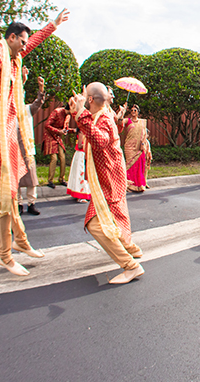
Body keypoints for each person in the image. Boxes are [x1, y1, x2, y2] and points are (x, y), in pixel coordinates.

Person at [0, 10, 68, 275]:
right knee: (4, 193)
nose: (25, 45)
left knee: (13, 190)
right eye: (22, 41)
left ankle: (20, 242)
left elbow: (37, 39)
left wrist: (53, 25)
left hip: (7, 129)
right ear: (10, 38)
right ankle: (4, 255)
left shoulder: (14, 58)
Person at [69, 83, 144, 285]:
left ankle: (131, 266)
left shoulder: (103, 118)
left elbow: (100, 141)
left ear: (91, 100)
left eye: (85, 97)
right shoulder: (100, 114)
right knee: (116, 217)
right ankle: (131, 249)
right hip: (109, 177)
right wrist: (80, 111)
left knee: (95, 224)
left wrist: (81, 112)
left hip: (109, 180)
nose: (82, 98)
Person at [17, 71, 46, 215]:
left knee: (31, 178)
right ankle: (18, 203)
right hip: (14, 149)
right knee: (16, 178)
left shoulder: (27, 109)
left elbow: (39, 102)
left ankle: (31, 203)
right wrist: (21, 81)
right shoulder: (9, 112)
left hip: (28, 150)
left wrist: (41, 89)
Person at [119, 105, 150, 192]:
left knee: (139, 165)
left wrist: (143, 143)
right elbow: (119, 123)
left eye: (135, 110)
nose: (133, 112)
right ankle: (129, 185)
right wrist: (122, 112)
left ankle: (139, 185)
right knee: (129, 165)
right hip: (129, 146)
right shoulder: (127, 120)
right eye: (132, 110)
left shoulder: (142, 122)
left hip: (139, 147)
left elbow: (144, 134)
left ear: (138, 112)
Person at [43, 105, 70, 189]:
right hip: (50, 136)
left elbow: (65, 129)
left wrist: (72, 130)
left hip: (58, 137)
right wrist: (58, 131)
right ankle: (50, 180)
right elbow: (47, 125)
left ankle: (62, 179)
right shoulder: (57, 112)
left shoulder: (68, 116)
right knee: (54, 158)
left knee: (62, 158)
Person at [67, 128, 91, 203]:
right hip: (81, 154)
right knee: (81, 174)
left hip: (86, 154)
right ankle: (80, 195)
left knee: (86, 174)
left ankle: (85, 192)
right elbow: (80, 145)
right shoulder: (82, 131)